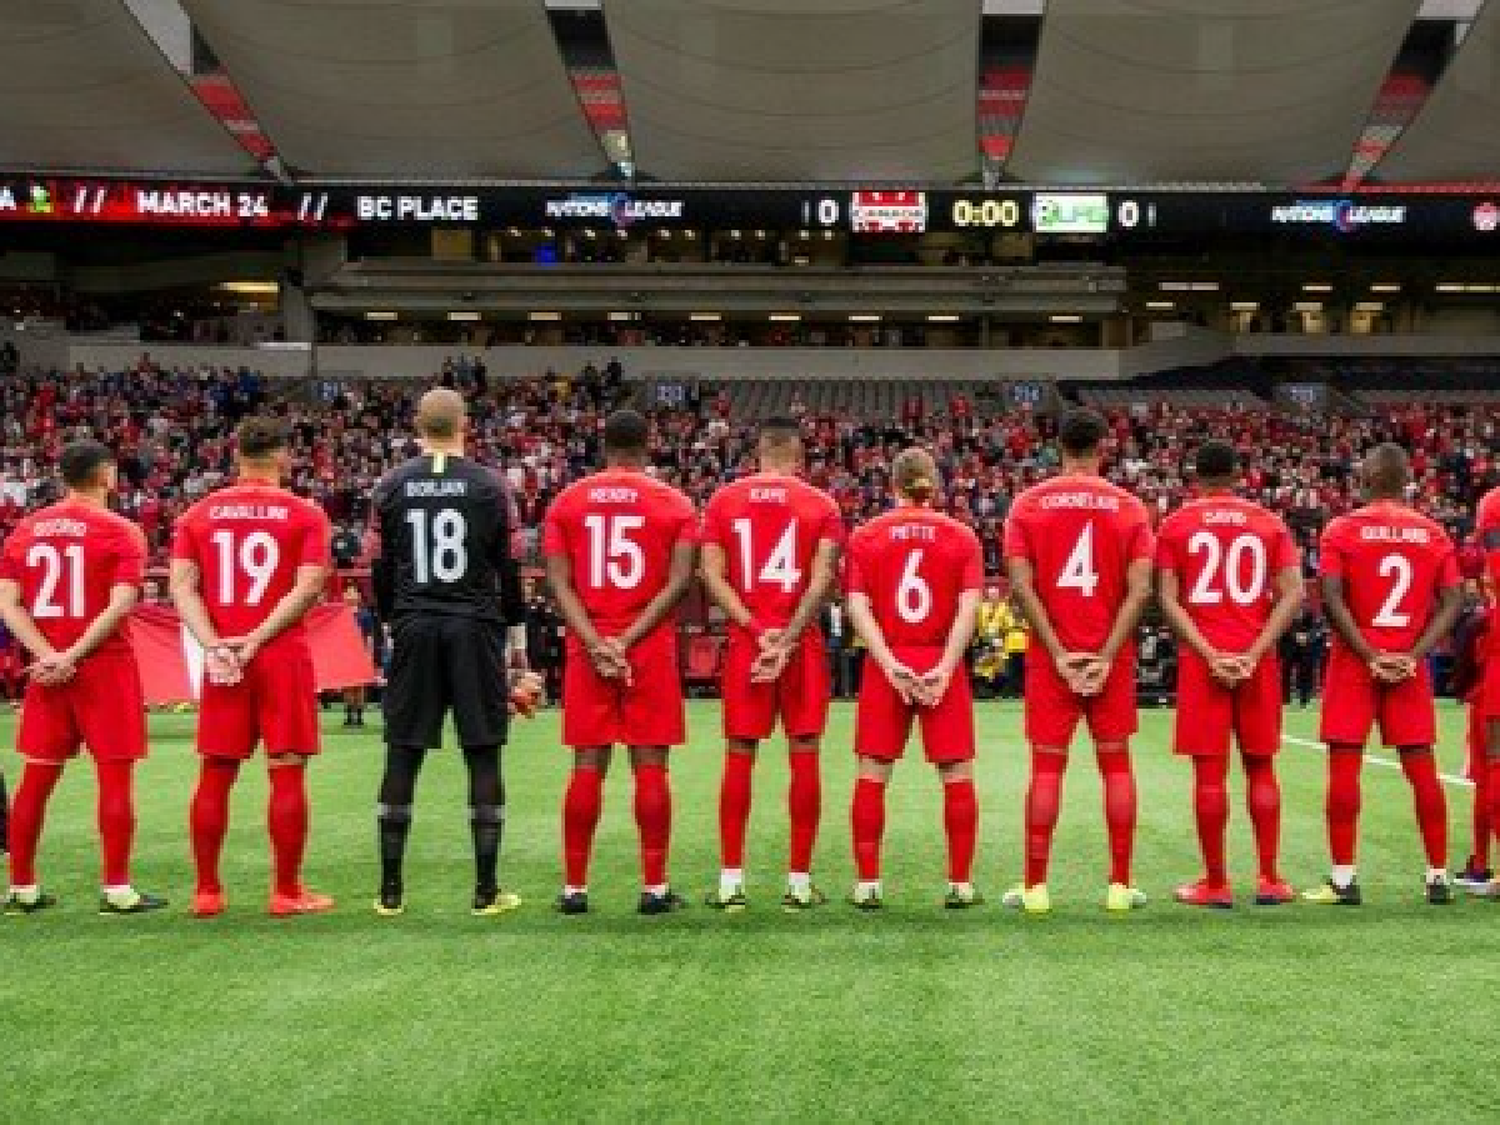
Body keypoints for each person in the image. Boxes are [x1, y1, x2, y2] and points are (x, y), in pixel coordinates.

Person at [368, 388, 539, 917]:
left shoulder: (391, 485)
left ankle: (391, 894)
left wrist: (395, 620)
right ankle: (486, 892)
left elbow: (377, 567)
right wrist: (515, 638)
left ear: (418, 424)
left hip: (416, 623)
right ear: (466, 424)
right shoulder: (490, 486)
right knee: (482, 750)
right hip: (473, 627)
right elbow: (509, 567)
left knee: (403, 751)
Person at [171, 416, 335, 918]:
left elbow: (181, 587)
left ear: (235, 455)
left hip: (223, 657)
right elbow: (307, 587)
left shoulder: (196, 515)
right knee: (286, 772)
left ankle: (207, 892)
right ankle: (286, 892)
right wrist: (256, 639)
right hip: (279, 653)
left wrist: (215, 644)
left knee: (215, 773)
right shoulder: (304, 514)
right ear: (283, 456)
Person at [543, 409, 698, 915]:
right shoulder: (674, 504)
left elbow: (558, 583)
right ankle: (653, 888)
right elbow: (677, 584)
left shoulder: (568, 501)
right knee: (650, 764)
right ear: (647, 445)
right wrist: (628, 640)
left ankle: (574, 888)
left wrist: (595, 642)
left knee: (587, 764)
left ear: (603, 444)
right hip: (647, 646)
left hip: (588, 646)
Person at [0, 440, 165, 914]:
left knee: (36, 779)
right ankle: (117, 889)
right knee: (114, 779)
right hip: (104, 665)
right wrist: (72, 653)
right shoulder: (121, 531)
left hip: (45, 667)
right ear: (107, 476)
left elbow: (9, 602)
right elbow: (119, 604)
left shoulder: (26, 530)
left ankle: (22, 887)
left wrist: (47, 654)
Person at [1001, 408, 1154, 915]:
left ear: (1058, 446)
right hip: (1109, 657)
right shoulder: (1130, 507)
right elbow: (1140, 591)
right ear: (1102, 447)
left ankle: (1036, 888)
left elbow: (1021, 587)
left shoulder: (1027, 504)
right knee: (1116, 767)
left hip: (1053, 658)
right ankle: (1118, 886)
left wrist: (1060, 653)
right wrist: (1106, 655)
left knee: (1047, 769)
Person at [1307, 444, 1461, 906]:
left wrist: (1369, 653)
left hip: (1356, 661)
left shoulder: (1342, 528)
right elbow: (1453, 601)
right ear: (1406, 479)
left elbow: (1331, 596)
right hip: (1409, 662)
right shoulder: (1433, 533)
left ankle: (1343, 878)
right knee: (1423, 769)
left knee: (1344, 765)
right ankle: (1437, 876)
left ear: (1370, 476)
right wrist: (1414, 653)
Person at [699, 417, 843, 910]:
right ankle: (799, 883)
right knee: (804, 755)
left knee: (739, 755)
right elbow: (822, 577)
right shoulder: (821, 504)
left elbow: (712, 578)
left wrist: (759, 631)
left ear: (757, 453)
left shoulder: (723, 500)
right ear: (799, 458)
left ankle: (730, 880)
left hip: (747, 642)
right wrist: (788, 636)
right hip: (799, 643)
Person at [1155, 440, 1304, 908]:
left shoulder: (1177, 524)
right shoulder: (1269, 523)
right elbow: (1294, 594)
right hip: (1257, 660)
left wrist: (1209, 653)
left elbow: (1167, 599)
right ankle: (1269, 878)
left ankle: (1216, 883)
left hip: (1203, 665)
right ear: (1239, 476)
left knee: (1209, 775)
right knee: (1261, 767)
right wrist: (1255, 651)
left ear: (1195, 478)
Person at [844, 448, 983, 909]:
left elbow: (858, 607)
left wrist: (887, 662)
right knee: (956, 773)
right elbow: (969, 607)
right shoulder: (962, 536)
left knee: (873, 773)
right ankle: (960, 884)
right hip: (940, 659)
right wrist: (945, 665)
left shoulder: (866, 536)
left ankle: (867, 883)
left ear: (892, 486)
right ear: (935, 486)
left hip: (889, 661)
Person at [1449, 594, 1491, 891]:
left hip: (1488, 699)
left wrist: (1462, 686)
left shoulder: (1483, 620)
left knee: (1487, 779)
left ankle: (1480, 864)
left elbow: (1464, 647)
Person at [342, 583, 377, 727]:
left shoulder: (365, 615)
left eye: (353, 592)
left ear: (359, 596)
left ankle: (359, 715)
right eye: (347, 592)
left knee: (360, 686)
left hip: (360, 652)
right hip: (345, 653)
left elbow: (369, 636)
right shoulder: (340, 614)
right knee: (347, 685)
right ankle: (349, 714)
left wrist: (369, 654)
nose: (350, 595)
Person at [1279, 606, 1324, 707]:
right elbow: (1282, 624)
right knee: (1286, 671)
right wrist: (1295, 635)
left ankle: (1304, 700)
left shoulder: (1312, 611)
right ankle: (1285, 699)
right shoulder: (1286, 608)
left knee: (1306, 673)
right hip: (1289, 645)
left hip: (1307, 648)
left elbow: (1319, 627)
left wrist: (1308, 637)